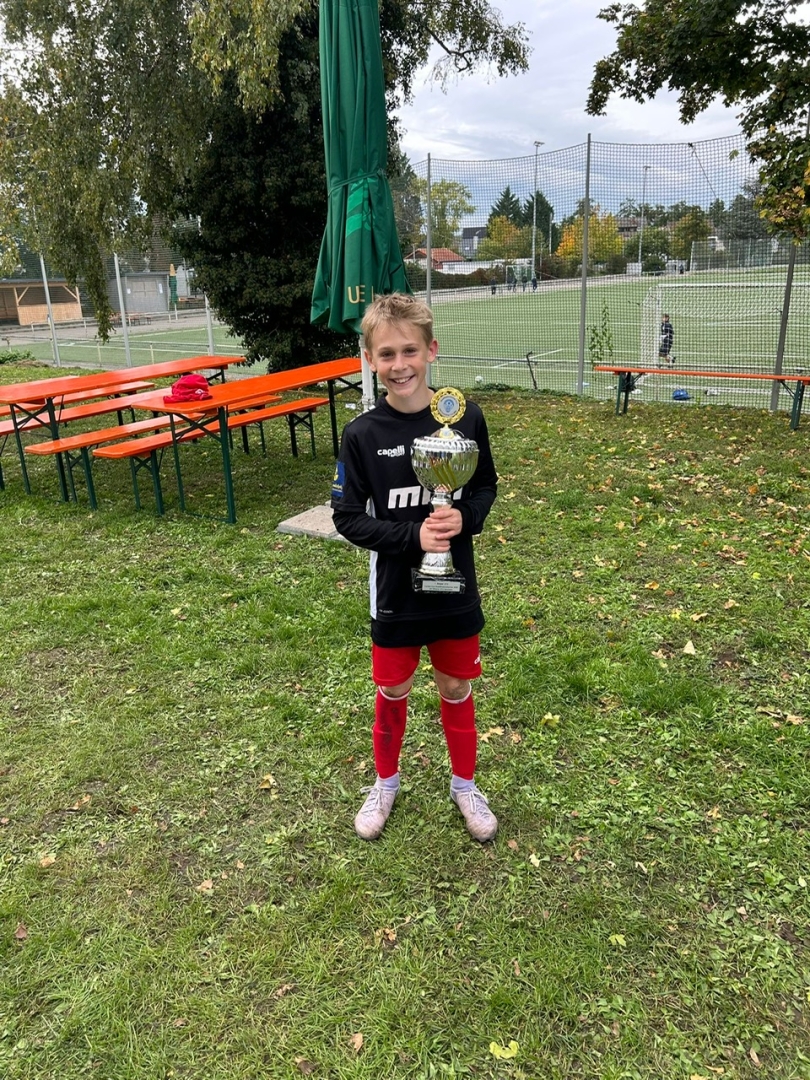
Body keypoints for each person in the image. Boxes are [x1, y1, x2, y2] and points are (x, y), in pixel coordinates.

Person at [331, 293, 499, 843]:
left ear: (432, 350)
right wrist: (411, 536)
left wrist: (464, 518)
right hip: (395, 594)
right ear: (370, 359)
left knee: (455, 684)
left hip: (455, 588)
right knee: (394, 687)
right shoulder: (362, 435)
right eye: (386, 354)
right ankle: (385, 783)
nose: (399, 364)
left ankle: (464, 785)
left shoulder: (465, 417)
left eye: (409, 351)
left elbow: (486, 486)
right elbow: (347, 517)